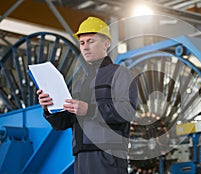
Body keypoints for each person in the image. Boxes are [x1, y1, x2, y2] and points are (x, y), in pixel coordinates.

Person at [37, 16, 138, 174]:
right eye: (82, 43)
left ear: (106, 43)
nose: (85, 47)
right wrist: (49, 108)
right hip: (81, 157)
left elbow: (127, 111)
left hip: (108, 157)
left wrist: (90, 109)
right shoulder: (80, 82)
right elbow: (64, 123)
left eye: (91, 41)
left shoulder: (120, 74)